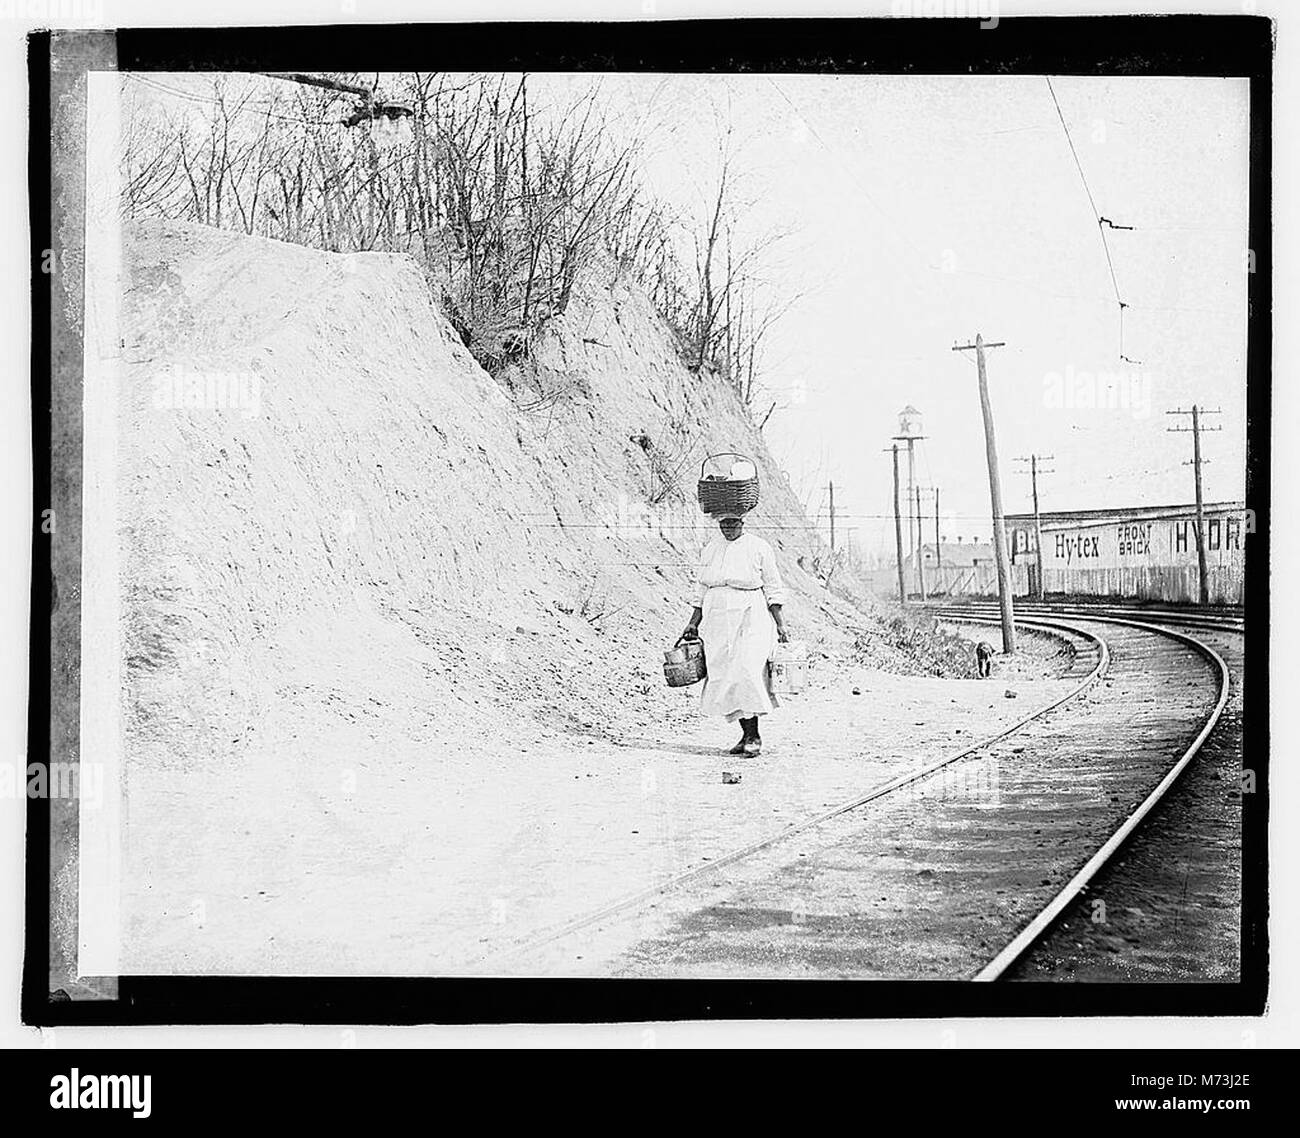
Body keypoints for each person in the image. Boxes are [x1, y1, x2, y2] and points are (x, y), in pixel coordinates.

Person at [680, 514, 790, 756]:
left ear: (742, 522)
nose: (728, 528)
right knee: (725, 674)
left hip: (751, 614)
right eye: (723, 524)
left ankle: (754, 735)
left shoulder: (759, 547)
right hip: (717, 615)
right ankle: (745, 734)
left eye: (733, 523)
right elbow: (701, 588)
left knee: (747, 670)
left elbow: (772, 586)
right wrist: (693, 623)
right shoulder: (711, 549)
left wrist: (780, 624)